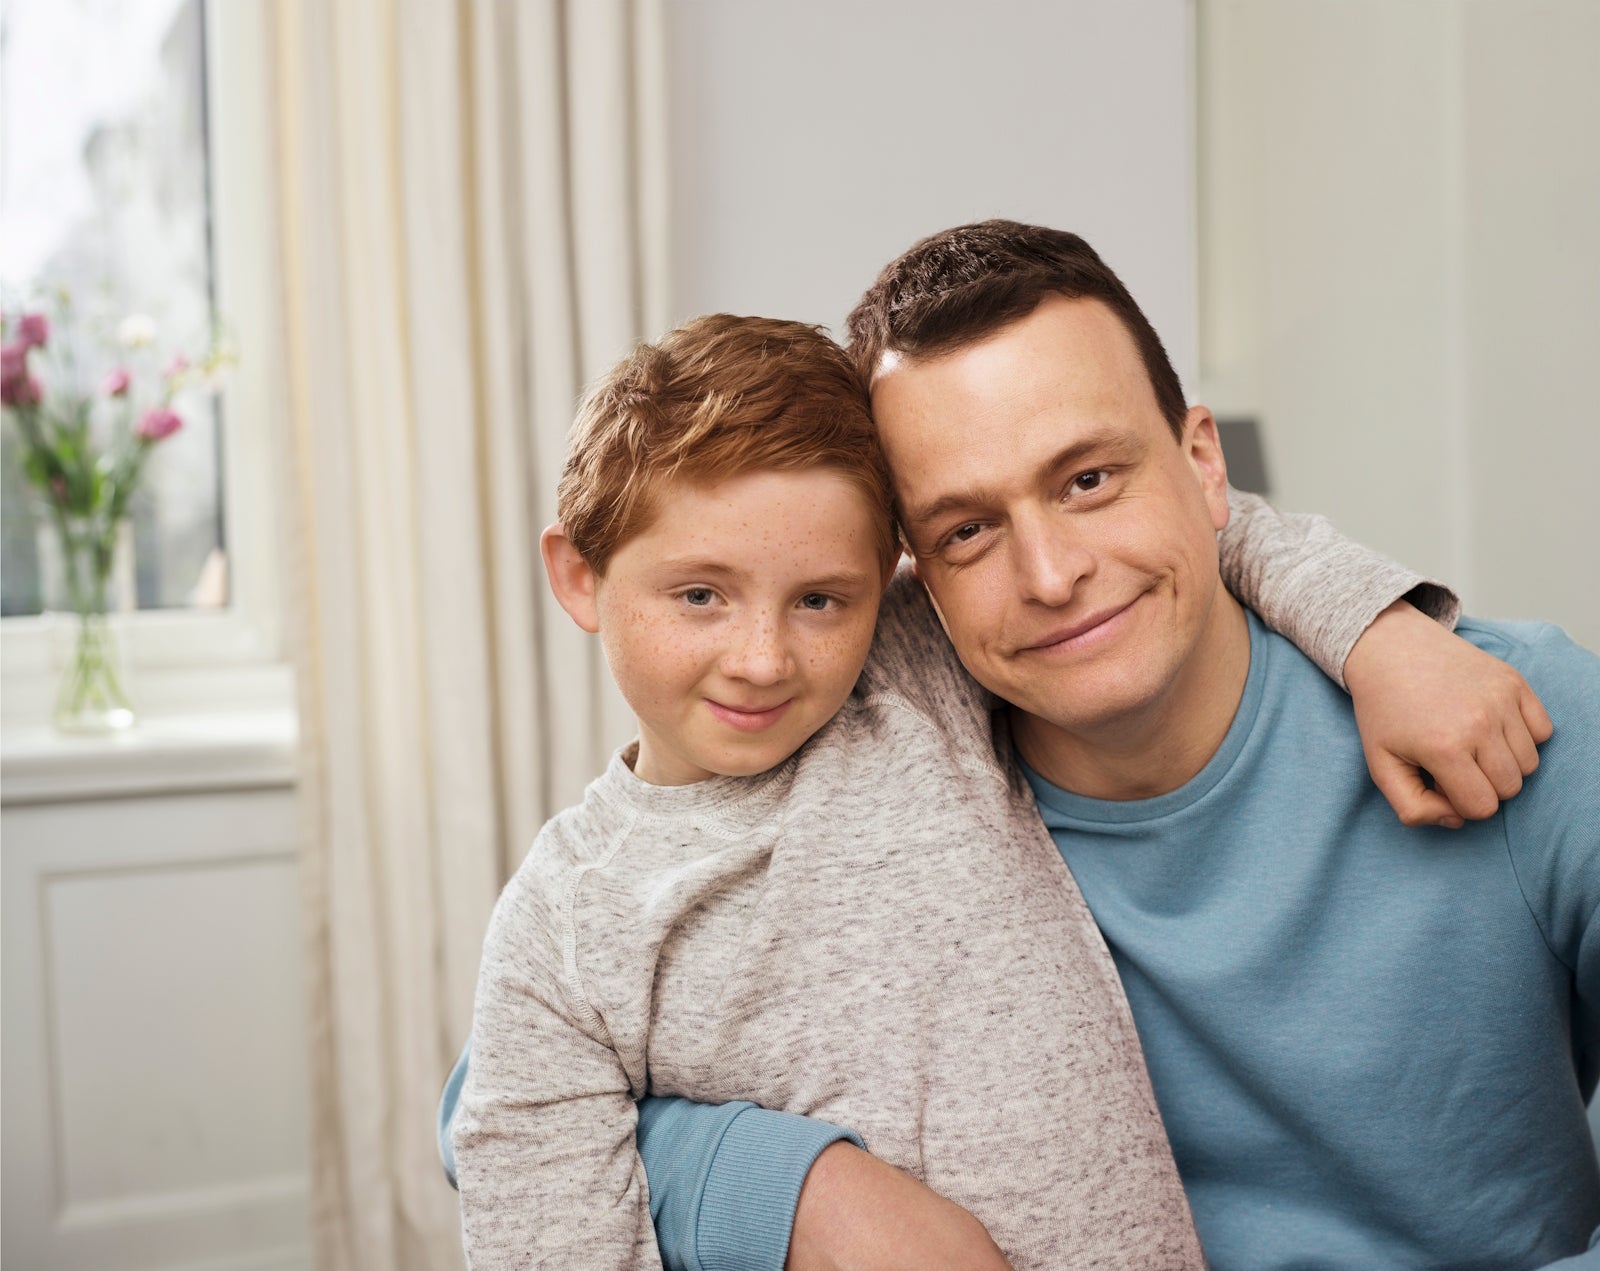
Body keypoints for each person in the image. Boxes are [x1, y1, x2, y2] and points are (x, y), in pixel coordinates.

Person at [446, 230, 1575, 1268]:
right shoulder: (871, 702)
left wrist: (1381, 629)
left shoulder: (1501, 707)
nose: (1047, 574)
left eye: (1089, 478)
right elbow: (501, 1125)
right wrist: (795, 1190)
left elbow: (1214, 539)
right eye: (968, 530)